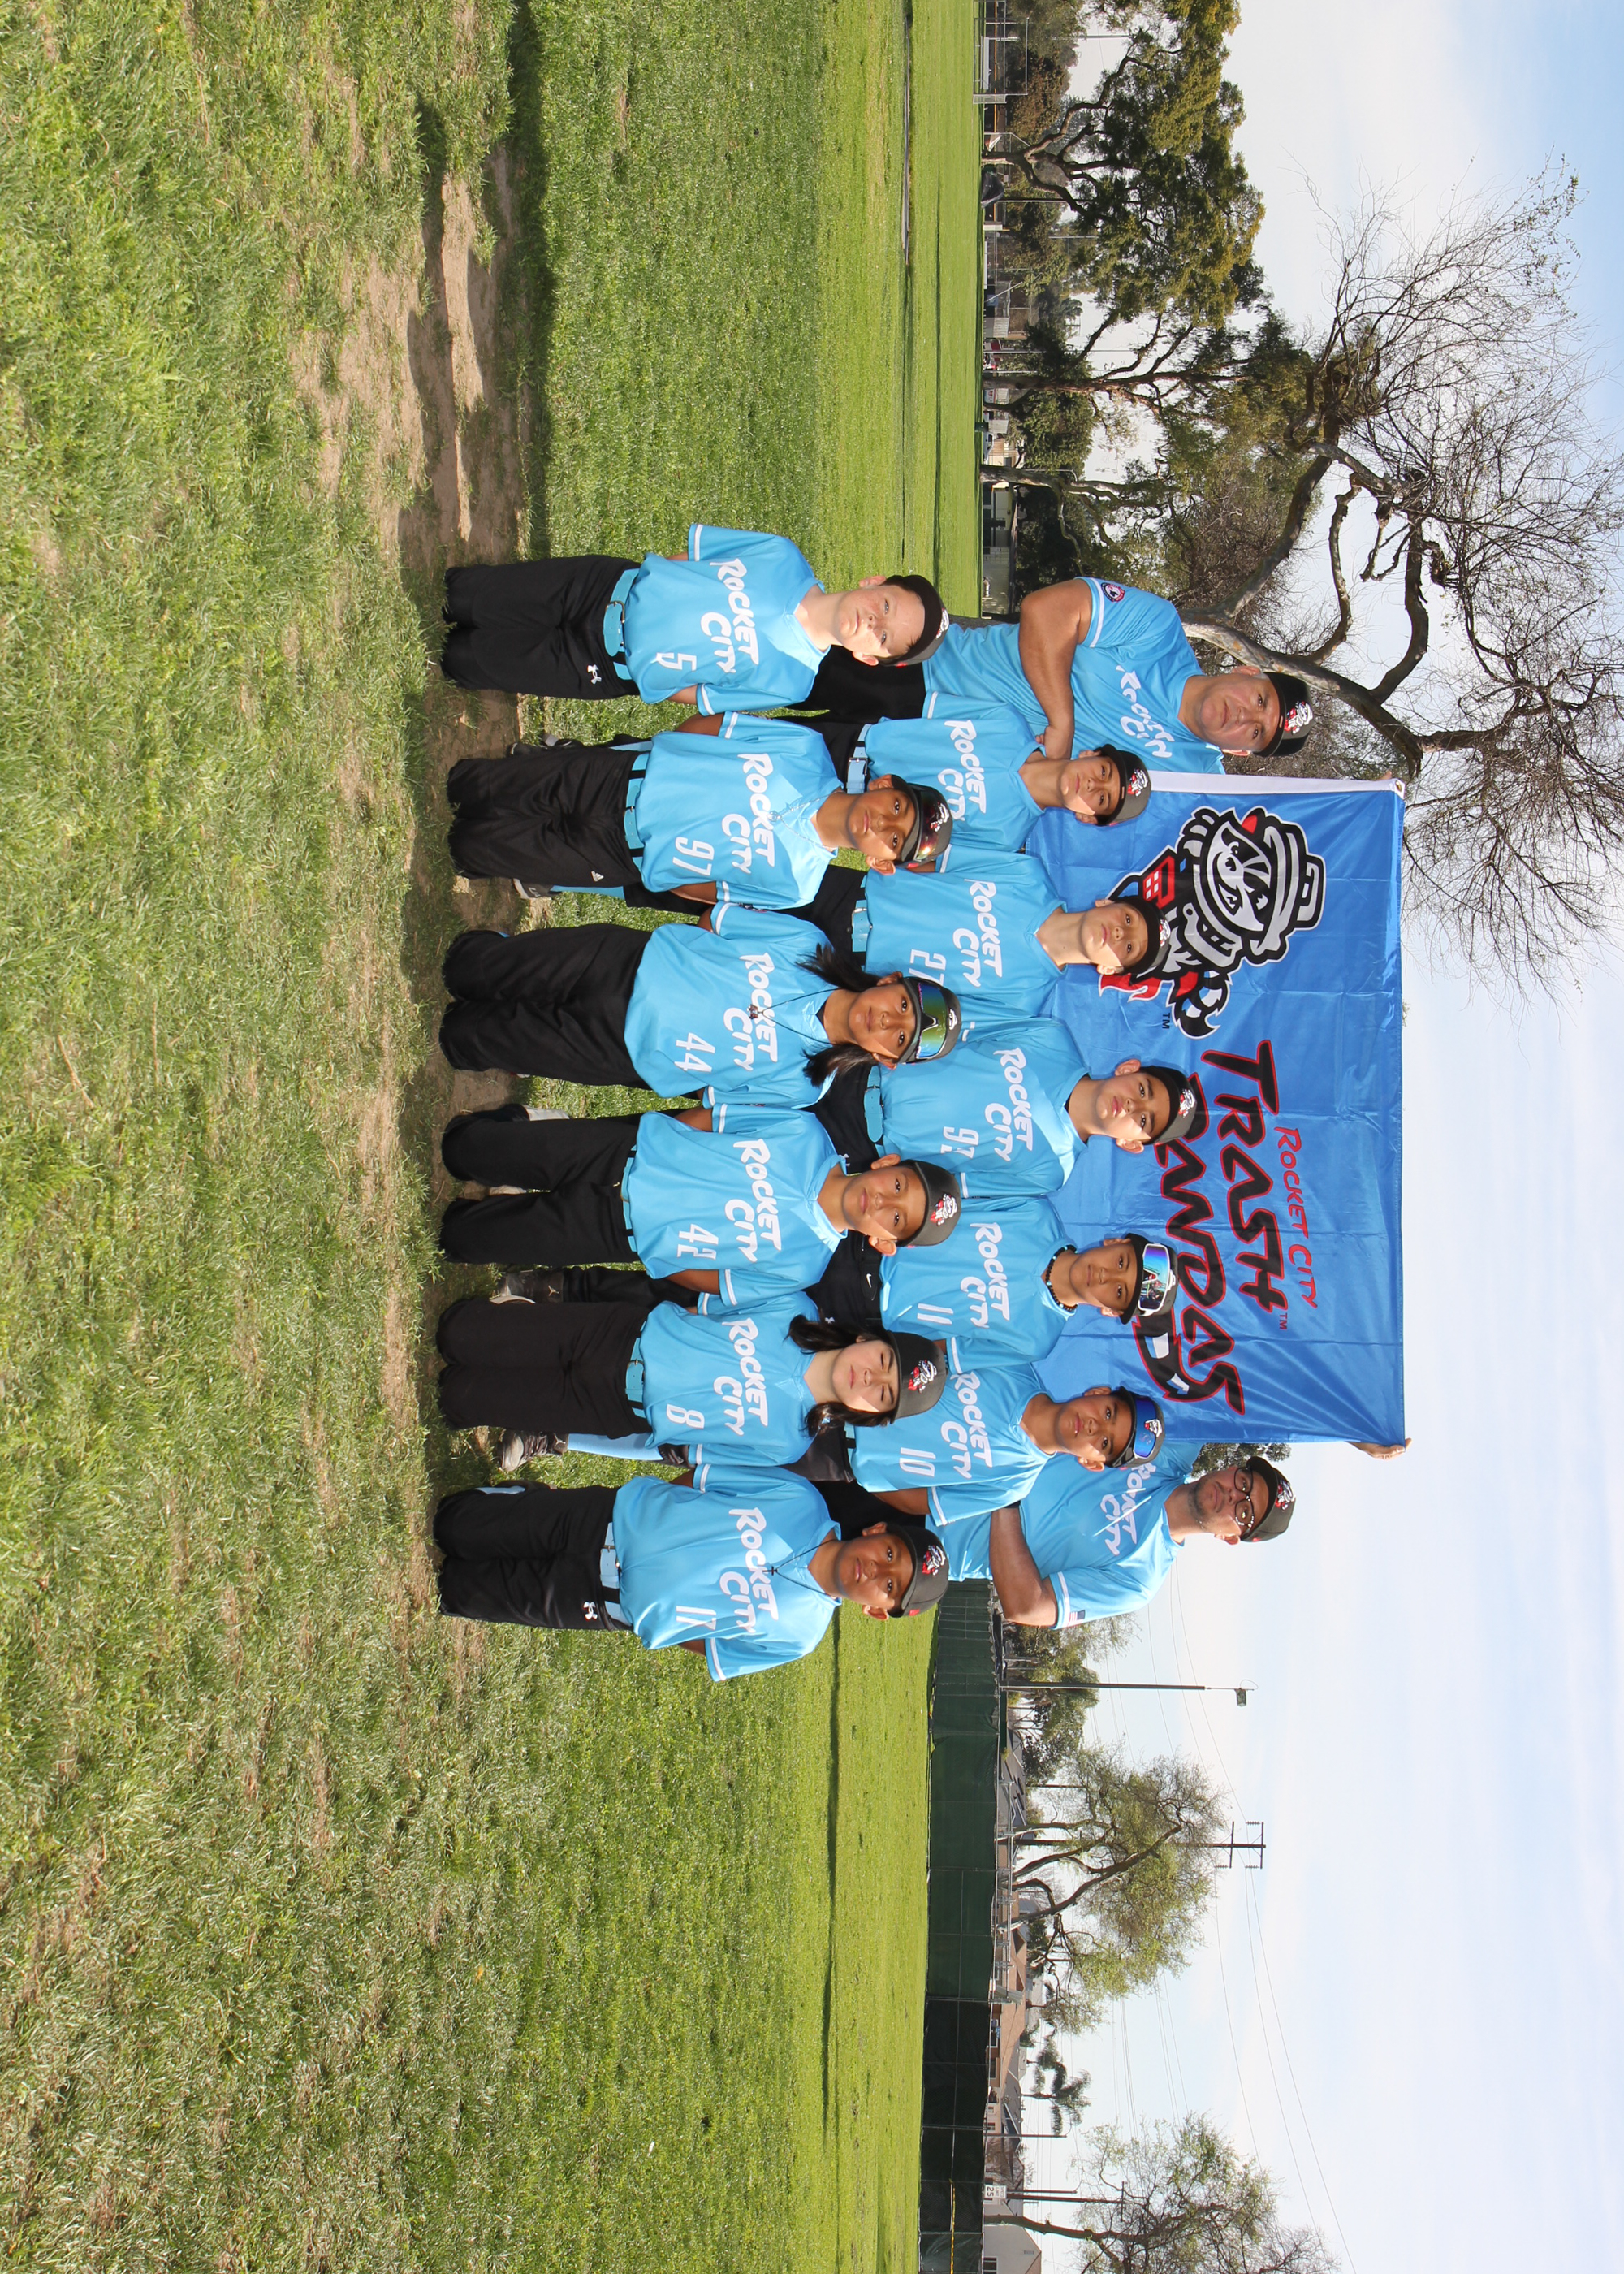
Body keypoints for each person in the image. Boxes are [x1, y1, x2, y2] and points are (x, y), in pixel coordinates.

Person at [431, 1462, 950, 1678]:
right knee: (453, 1524)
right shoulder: (801, 1499)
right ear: (875, 1530)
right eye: (889, 1554)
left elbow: (715, 1648)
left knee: (456, 1591)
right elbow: (704, 1480)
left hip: (606, 1601)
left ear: (878, 1612)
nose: (875, 1571)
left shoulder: (801, 1636)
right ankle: (521, 1500)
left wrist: (657, 1612)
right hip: (601, 1521)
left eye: (890, 1587)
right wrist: (651, 1514)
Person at [437, 1101, 964, 1297]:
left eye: (897, 1220)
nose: (883, 1204)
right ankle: (498, 1143)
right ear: (887, 1165)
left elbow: (715, 1279)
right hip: (622, 1154)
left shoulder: (805, 1265)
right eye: (898, 1188)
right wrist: (659, 1144)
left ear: (884, 1243)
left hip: (624, 1232)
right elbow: (715, 1120)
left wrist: (659, 1248)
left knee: (459, 1238)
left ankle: (486, 1214)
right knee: (463, 1149)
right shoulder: (806, 1134)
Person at [803, 573, 1315, 775]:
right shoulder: (1159, 631)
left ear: (1241, 753)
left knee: (776, 766)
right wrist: (1061, 723)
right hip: (928, 674)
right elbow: (1047, 610)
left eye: (1256, 733)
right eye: (1261, 701)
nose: (1244, 717)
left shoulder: (1196, 780)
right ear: (1248, 671)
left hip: (934, 763)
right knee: (774, 674)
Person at [436, 909, 963, 1102]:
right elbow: (719, 922)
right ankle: (497, 963)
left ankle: (504, 1038)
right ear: (890, 980)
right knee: (466, 966)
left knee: (461, 1040)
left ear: (888, 1060)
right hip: (625, 962)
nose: (886, 1020)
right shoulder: (808, 943)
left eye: (898, 1036)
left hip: (623, 1051)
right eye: (900, 1003)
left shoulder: (807, 1086)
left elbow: (717, 1098)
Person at [444, 713, 952, 909]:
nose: (882, 823)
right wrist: (664, 763)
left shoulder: (800, 884)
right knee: (474, 784)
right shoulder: (806, 751)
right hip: (619, 777)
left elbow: (703, 890)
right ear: (884, 784)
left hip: (619, 853)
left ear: (881, 862)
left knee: (471, 849)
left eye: (893, 840)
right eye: (896, 807)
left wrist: (656, 861)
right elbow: (714, 729)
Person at [438, 528, 948, 711]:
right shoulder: (782, 556)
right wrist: (645, 584)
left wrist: (641, 675)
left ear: (868, 658)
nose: (873, 622)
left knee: (463, 660)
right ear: (874, 582)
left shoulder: (793, 681)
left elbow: (702, 695)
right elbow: (696, 559)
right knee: (461, 595)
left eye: (884, 638)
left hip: (604, 666)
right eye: (886, 606)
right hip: (602, 588)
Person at [435, 1289, 946, 1471]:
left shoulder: (791, 1442)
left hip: (616, 1407)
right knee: (456, 1334)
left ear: (871, 1415)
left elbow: (694, 1451)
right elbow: (705, 1304)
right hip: (616, 1336)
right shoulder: (796, 1307)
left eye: (882, 1392)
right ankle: (519, 1316)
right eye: (883, 1359)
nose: (869, 1376)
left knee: (457, 1400)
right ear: (869, 1338)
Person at [810, 1021, 1201, 1199]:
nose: (1133, 1105)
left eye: (1144, 1120)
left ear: (1132, 1144)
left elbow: (953, 1189)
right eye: (1144, 1090)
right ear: (1129, 1069)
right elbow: (955, 1029)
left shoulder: (1052, 1172)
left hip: (863, 1151)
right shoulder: (1052, 1039)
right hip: (859, 1069)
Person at [794, 851, 1162, 1033]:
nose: (1120, 933)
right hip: (848, 893)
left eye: (1129, 948)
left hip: (850, 974)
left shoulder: (1024, 1001)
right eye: (1128, 920)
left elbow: (932, 1021)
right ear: (1107, 903)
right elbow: (936, 862)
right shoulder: (1027, 874)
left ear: (1109, 969)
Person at [947, 1450, 1296, 1627]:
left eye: (1244, 1513)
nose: (1234, 1495)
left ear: (1230, 1537)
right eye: (1244, 1483)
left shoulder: (1139, 1580)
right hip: (948, 1454)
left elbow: (1026, 1607)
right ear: (1233, 1468)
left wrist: (1006, 1496)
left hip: (937, 1536)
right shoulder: (1167, 1448)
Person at [817, 1206, 1178, 1368]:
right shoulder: (1036, 1213)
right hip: (863, 1239)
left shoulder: (1037, 1341)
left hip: (860, 1313)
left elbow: (942, 1353)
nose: (1105, 1277)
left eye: (1119, 1292)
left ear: (1110, 1311)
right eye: (1121, 1263)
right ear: (1114, 1242)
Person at [854, 1368, 1164, 1524]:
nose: (1096, 1427)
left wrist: (861, 1470)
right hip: (854, 1385)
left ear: (1091, 1463)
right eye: (1108, 1413)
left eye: (1105, 1443)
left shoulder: (1013, 1486)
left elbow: (922, 1502)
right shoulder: (1013, 1365)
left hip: (843, 1455)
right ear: (1097, 1392)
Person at [836, 698, 1153, 848]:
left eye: (1101, 799)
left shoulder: (1006, 836)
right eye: (1103, 771)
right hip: (852, 742)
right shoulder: (1008, 721)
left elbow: (917, 850)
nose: (1093, 784)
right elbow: (921, 708)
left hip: (852, 814)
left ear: (1088, 818)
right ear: (1090, 753)